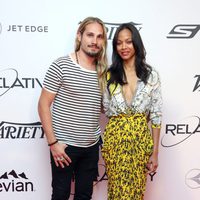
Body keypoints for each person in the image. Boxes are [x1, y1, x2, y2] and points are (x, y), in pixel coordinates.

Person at [38, 16, 108, 200]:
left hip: (91, 147)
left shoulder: (102, 71)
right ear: (79, 36)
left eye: (99, 37)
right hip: (65, 147)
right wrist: (53, 143)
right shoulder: (61, 65)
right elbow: (43, 104)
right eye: (90, 35)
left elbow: (100, 108)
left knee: (85, 196)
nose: (94, 41)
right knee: (60, 195)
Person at [101, 23, 162, 200]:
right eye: (119, 43)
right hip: (115, 142)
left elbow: (156, 114)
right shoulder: (109, 75)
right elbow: (106, 107)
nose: (124, 47)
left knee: (136, 192)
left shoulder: (151, 75)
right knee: (116, 191)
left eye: (128, 41)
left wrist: (155, 153)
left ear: (136, 43)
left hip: (140, 141)